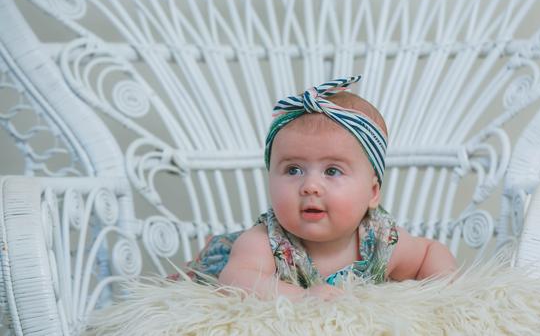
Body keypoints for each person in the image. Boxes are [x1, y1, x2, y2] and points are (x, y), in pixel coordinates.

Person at [173, 76, 456, 300]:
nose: (310, 186)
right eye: (293, 170)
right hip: (217, 274)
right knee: (182, 290)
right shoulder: (265, 241)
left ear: (372, 193)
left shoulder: (380, 241)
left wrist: (447, 294)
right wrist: (301, 297)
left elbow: (431, 253)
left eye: (332, 171)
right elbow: (235, 280)